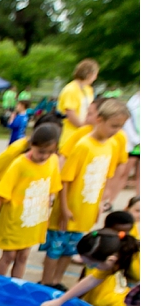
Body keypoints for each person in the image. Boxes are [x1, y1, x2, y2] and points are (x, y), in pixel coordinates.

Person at [40, 98, 130, 287]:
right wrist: (63, 207)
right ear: (99, 119)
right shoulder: (83, 145)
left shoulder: (112, 145)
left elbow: (105, 177)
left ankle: (56, 281)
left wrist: (99, 203)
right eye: (113, 126)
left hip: (86, 210)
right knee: (56, 248)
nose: (116, 131)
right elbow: (65, 179)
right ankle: (46, 281)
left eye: (120, 127)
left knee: (72, 249)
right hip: (69, 208)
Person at [0, 115, 62, 275]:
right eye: (41, 151)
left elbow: (52, 188)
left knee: (23, 256)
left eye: (49, 152)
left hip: (30, 217)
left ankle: (14, 287)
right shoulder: (18, 157)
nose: (44, 156)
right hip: (4, 210)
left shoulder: (52, 160)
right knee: (1, 251)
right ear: (32, 143)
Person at [57, 59, 99, 146]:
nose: (96, 78)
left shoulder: (88, 89)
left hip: (85, 134)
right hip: (70, 134)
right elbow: (70, 113)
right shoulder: (71, 90)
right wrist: (82, 127)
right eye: (95, 74)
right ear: (89, 74)